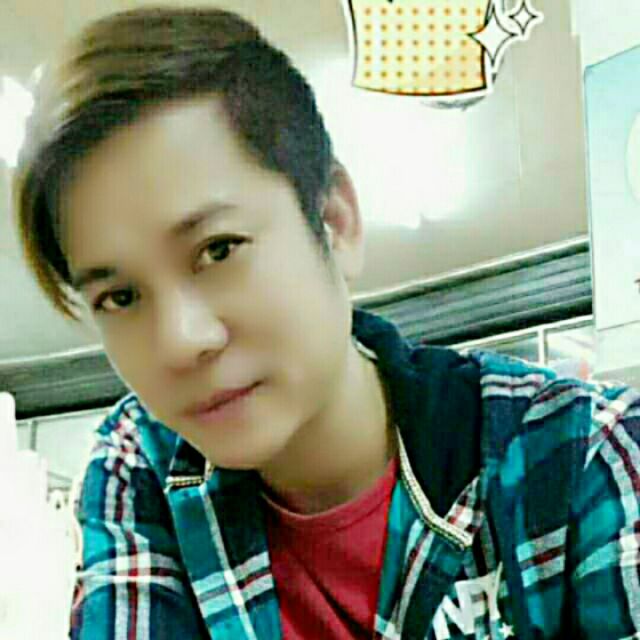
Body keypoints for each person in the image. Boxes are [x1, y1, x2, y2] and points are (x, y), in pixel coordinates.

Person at [12, 6, 640, 639]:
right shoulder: (142, 465)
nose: (180, 341)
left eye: (218, 250)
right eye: (120, 297)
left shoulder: (581, 452)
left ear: (334, 222)